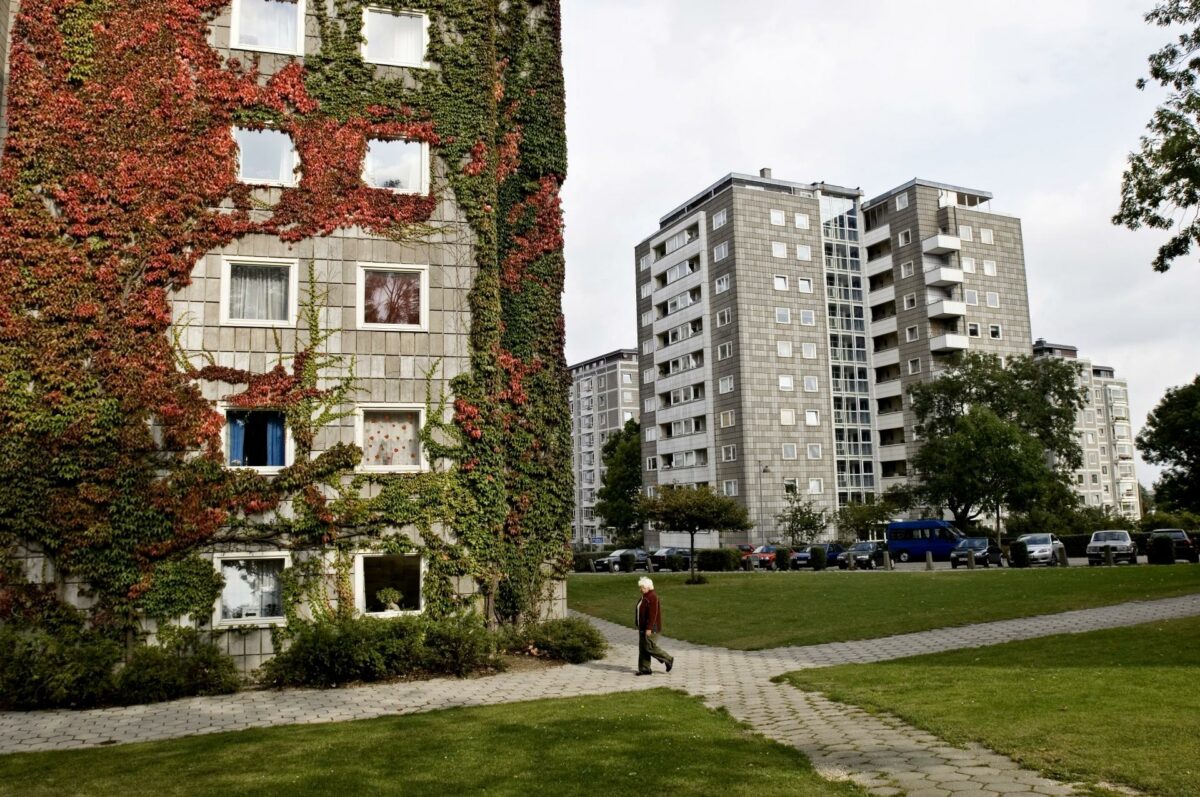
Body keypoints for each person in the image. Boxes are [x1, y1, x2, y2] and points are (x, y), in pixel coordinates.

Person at [635, 576, 674, 675]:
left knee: (649, 647)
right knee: (643, 648)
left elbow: (653, 614)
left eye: (642, 587)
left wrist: (649, 628)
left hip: (651, 628)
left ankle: (668, 659)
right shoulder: (645, 596)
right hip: (642, 627)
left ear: (648, 587)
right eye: (640, 587)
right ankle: (644, 669)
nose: (641, 589)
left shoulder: (652, 597)